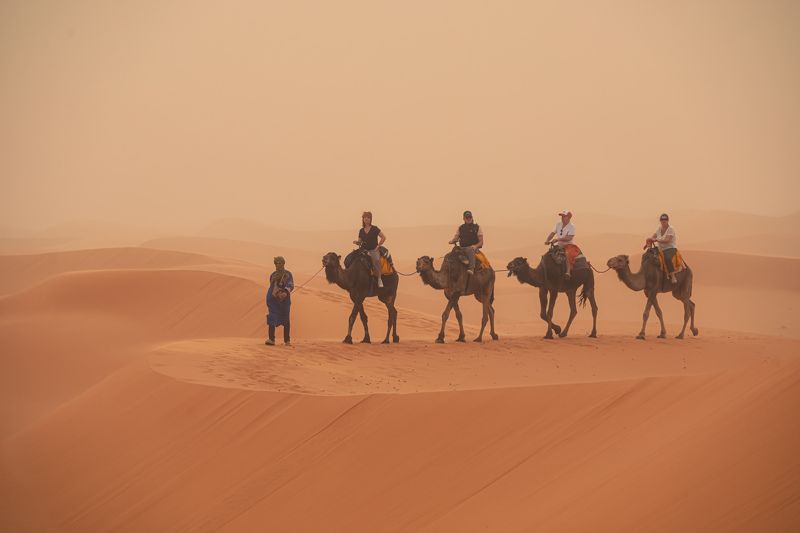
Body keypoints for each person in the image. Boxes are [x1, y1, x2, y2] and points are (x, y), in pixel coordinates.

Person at [265, 256, 294, 345]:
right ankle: (271, 339)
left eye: (279, 263)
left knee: (286, 319)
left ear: (283, 263)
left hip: (284, 301)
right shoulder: (273, 275)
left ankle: (287, 340)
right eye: (276, 263)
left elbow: (290, 284)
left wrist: (285, 292)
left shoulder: (288, 274)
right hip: (273, 300)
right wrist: (276, 292)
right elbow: (272, 286)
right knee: (272, 317)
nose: (277, 265)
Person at [354, 211, 386, 288]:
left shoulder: (375, 228)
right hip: (363, 250)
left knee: (376, 260)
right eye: (365, 217)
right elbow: (360, 242)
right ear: (363, 219)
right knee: (351, 258)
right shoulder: (361, 230)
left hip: (373, 250)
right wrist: (357, 242)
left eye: (368, 217)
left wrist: (378, 246)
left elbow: (383, 237)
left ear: (370, 219)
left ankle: (379, 279)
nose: (366, 219)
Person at [545, 209, 580, 279]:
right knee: (549, 254)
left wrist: (558, 239)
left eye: (564, 216)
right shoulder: (558, 224)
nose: (562, 218)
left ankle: (568, 272)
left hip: (569, 245)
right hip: (559, 245)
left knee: (567, 254)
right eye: (562, 216)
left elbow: (569, 237)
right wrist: (547, 240)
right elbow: (552, 233)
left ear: (569, 217)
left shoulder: (572, 226)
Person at [449, 210, 483, 275]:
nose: (468, 219)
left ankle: (471, 268)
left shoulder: (477, 228)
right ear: (464, 218)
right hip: (462, 248)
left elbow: (481, 242)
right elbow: (456, 237)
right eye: (467, 217)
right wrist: (452, 241)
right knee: (453, 252)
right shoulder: (460, 228)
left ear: (472, 217)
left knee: (469, 249)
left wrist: (475, 246)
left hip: (473, 249)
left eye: (470, 217)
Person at [648, 213, 678, 284]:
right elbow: (653, 236)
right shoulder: (659, 228)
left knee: (667, 258)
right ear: (660, 221)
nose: (663, 221)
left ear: (668, 220)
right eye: (662, 219)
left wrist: (656, 240)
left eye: (665, 219)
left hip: (670, 248)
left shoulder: (671, 229)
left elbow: (667, 240)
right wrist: (650, 240)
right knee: (648, 255)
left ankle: (672, 275)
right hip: (660, 249)